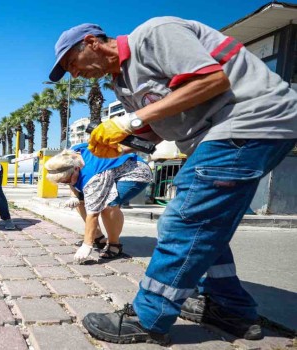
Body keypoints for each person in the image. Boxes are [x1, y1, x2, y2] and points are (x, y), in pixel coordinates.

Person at [49, 18, 297, 343]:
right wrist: (120, 145)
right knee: (207, 225)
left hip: (249, 119)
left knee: (184, 221)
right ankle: (230, 309)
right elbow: (156, 125)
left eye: (72, 63)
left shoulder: (153, 35)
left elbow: (212, 80)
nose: (75, 74)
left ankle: (149, 316)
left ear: (92, 42)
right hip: (220, 134)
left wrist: (130, 121)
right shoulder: (121, 85)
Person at [45, 145, 152, 264]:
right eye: (62, 182)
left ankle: (114, 245)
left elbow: (93, 213)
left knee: (109, 205)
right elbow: (71, 180)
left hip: (134, 171)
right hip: (110, 171)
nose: (66, 184)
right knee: (80, 201)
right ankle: (98, 237)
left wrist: (87, 245)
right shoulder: (71, 154)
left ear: (76, 169)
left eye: (66, 181)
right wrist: (74, 195)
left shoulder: (92, 175)